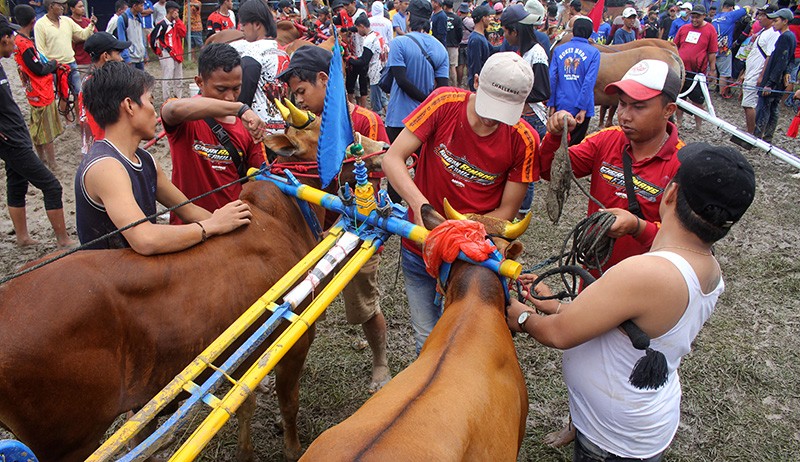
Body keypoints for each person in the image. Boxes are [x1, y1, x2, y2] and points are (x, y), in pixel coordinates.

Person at [507, 141, 755, 462]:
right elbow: (623, 326)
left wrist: (520, 316)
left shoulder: (646, 272)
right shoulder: (709, 269)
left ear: (671, 195)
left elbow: (558, 335)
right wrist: (552, 305)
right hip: (637, 421)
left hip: (612, 438)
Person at [383, 52, 538, 353]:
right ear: (476, 81)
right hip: (421, 244)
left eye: (502, 113)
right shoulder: (443, 103)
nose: (490, 119)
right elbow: (393, 157)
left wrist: (459, 230)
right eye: (488, 106)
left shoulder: (524, 139)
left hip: (470, 258)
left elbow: (507, 212)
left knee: (461, 345)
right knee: (426, 340)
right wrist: (421, 207)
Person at [277, 45, 392, 393]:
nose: (299, 101)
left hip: (357, 231)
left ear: (324, 79)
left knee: (363, 305)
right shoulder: (299, 124)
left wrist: (353, 157)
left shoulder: (366, 121)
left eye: (302, 91)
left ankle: (381, 361)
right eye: (294, 95)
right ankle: (294, 361)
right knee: (303, 303)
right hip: (314, 231)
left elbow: (383, 166)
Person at [77, 61, 251, 253]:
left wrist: (228, 223)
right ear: (129, 106)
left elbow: (190, 211)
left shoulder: (145, 160)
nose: (154, 111)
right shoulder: (106, 166)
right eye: (150, 101)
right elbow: (145, 239)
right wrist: (212, 226)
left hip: (137, 275)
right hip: (110, 279)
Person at [541, 59, 684, 276]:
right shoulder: (606, 140)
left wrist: (637, 227)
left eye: (638, 106)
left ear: (668, 110)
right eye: (622, 103)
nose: (625, 115)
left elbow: (683, 242)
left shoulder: (682, 165)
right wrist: (555, 136)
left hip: (646, 281)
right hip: (595, 270)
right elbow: (550, 172)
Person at [160, 43, 267, 224]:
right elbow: (171, 110)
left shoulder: (247, 127)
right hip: (189, 229)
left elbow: (260, 181)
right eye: (221, 89)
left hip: (232, 228)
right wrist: (239, 109)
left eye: (236, 89)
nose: (230, 97)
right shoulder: (185, 116)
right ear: (199, 82)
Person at [0, 14, 73, 248]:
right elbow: (38, 68)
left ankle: (22, 238)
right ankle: (63, 240)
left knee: (17, 181)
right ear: (3, 39)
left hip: (15, 132)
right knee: (51, 185)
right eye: (11, 37)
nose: (14, 41)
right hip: (10, 137)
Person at [384, 0, 449, 143]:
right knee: (422, 163)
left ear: (408, 17)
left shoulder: (398, 43)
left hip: (398, 118)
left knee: (393, 160)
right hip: (425, 120)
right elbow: (443, 87)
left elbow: (401, 80)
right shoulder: (440, 49)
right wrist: (428, 102)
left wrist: (424, 99)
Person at [13, 4, 63, 170]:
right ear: (33, 20)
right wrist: (53, 64)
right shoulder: (25, 45)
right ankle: (52, 163)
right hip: (41, 91)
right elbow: (38, 69)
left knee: (37, 126)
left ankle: (41, 159)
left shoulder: (18, 41)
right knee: (46, 130)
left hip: (32, 90)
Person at [229, 0, 289, 135]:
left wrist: (239, 115)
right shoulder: (281, 51)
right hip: (280, 126)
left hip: (257, 128)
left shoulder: (254, 51)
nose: (241, 28)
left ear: (256, 24)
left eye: (244, 24)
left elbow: (245, 89)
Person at [548, 16, 600, 145]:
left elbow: (552, 78)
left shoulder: (558, 50)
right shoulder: (594, 53)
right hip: (581, 106)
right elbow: (589, 82)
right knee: (574, 146)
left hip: (561, 103)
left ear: (573, 31)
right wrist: (582, 108)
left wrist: (552, 104)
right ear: (589, 33)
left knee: (557, 142)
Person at [33, 0, 96, 103]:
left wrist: (91, 25)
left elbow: (82, 35)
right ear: (51, 6)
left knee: (78, 93)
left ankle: (79, 117)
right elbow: (41, 50)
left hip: (71, 62)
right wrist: (50, 65)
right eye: (59, 5)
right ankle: (67, 119)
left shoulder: (67, 21)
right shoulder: (40, 24)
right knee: (62, 95)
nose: (63, 7)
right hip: (55, 67)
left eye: (63, 5)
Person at [79, 32, 130, 155]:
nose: (121, 58)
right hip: (106, 150)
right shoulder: (104, 85)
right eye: (117, 53)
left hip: (94, 148)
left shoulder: (88, 81)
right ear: (106, 56)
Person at [735, 5, 778, 138]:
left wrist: (761, 76)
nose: (759, 18)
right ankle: (751, 131)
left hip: (757, 73)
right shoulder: (763, 32)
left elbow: (769, 57)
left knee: (749, 103)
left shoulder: (773, 34)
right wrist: (744, 73)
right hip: (751, 70)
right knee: (747, 103)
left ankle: (751, 134)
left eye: (762, 15)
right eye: (759, 14)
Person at [754, 8, 796, 143]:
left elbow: (781, 62)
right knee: (773, 108)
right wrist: (786, 74)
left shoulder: (785, 37)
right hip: (779, 80)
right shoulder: (791, 37)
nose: (773, 24)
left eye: (776, 21)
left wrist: (770, 83)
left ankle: (758, 136)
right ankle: (767, 137)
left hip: (773, 81)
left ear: (785, 21)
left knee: (765, 108)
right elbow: (791, 60)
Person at [674, 4, 717, 130]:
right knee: (680, 97)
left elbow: (712, 52)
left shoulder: (710, 30)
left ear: (704, 16)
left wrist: (712, 70)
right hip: (682, 69)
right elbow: (675, 46)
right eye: (693, 16)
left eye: (697, 17)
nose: (694, 19)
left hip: (698, 72)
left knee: (698, 100)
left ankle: (698, 125)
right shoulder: (684, 28)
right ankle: (679, 122)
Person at [350, 15, 387, 114]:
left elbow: (364, 61)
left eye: (358, 28)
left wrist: (350, 60)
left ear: (362, 26)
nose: (358, 32)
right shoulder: (377, 35)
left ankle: (379, 125)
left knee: (376, 104)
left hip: (375, 73)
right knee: (383, 99)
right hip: (382, 70)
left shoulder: (369, 40)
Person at [150, 0, 186, 101]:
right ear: (170, 11)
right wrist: (157, 51)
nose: (177, 13)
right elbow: (152, 38)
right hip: (167, 52)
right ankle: (167, 99)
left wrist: (178, 20)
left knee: (179, 78)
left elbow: (183, 33)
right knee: (168, 76)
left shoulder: (176, 23)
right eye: (176, 11)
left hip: (178, 52)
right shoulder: (162, 24)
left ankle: (178, 98)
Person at [712, 0, 749, 98]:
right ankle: (722, 93)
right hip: (723, 49)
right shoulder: (731, 15)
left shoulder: (715, 17)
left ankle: (703, 88)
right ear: (731, 8)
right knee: (724, 73)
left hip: (712, 48)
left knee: (710, 69)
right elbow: (747, 9)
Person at [466, 4, 493, 91]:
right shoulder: (476, 39)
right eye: (488, 17)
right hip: (477, 84)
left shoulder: (480, 36)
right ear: (483, 18)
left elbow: (493, 50)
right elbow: (476, 65)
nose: (490, 19)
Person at [116, 0, 147, 70]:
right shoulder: (123, 19)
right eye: (141, 5)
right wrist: (126, 58)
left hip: (140, 56)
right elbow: (122, 40)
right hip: (131, 57)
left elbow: (141, 37)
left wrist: (145, 54)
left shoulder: (139, 18)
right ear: (135, 6)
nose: (143, 8)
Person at [67, 0, 94, 77]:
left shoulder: (88, 21)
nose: (83, 8)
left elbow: (95, 35)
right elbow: (76, 38)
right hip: (78, 62)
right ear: (72, 9)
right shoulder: (69, 22)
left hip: (90, 60)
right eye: (80, 7)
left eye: (83, 6)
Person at [442, 0, 462, 85]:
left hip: (443, 44)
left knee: (443, 66)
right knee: (453, 66)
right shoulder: (457, 18)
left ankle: (445, 84)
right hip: (453, 45)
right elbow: (460, 33)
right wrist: (457, 42)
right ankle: (455, 85)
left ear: (445, 6)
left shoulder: (441, 16)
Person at [456, 2, 473, 87]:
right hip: (468, 44)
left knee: (460, 65)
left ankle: (459, 83)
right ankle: (469, 82)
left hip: (460, 44)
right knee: (469, 64)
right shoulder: (470, 21)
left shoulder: (457, 20)